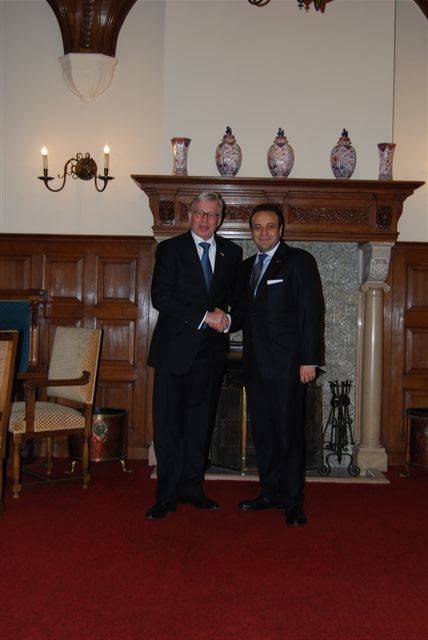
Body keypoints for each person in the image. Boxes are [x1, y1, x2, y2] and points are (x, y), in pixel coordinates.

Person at [146, 191, 242, 519]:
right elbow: (161, 297)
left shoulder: (232, 252)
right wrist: (204, 317)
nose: (205, 220)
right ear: (190, 215)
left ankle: (192, 488)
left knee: (201, 426)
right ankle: (166, 494)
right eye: (200, 213)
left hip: (210, 355)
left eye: (212, 214)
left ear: (220, 219)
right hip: (173, 353)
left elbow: (235, 299)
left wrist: (229, 319)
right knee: (168, 426)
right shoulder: (170, 249)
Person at [230, 204, 323, 526]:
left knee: (288, 433)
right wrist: (219, 319)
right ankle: (269, 492)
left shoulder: (299, 261)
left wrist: (309, 360)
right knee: (264, 431)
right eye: (257, 227)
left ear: (281, 230)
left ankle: (293, 501)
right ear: (251, 232)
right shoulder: (245, 268)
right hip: (255, 364)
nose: (264, 232)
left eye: (270, 226)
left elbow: (311, 312)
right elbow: (241, 314)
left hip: (289, 365)